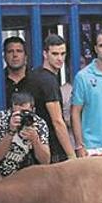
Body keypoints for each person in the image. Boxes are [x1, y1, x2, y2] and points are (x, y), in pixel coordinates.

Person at [22, 34, 74, 162]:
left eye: (63, 54)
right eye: (55, 54)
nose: (60, 58)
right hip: (51, 147)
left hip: (33, 145)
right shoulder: (48, 81)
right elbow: (57, 121)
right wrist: (71, 155)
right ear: (45, 54)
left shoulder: (34, 75)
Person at [0, 92, 50, 177]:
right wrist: (11, 132)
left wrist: (35, 139)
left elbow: (45, 161)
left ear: (33, 110)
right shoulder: (1, 119)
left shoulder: (39, 123)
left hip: (27, 171)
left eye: (25, 112)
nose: (21, 117)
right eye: (17, 113)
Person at [0, 36, 27, 115]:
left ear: (25, 56)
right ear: (4, 56)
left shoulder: (35, 79)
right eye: (10, 51)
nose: (15, 55)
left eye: (19, 51)